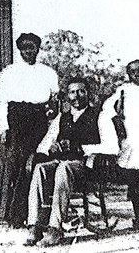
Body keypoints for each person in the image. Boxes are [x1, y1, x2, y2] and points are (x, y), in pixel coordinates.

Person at [0, 32, 59, 228]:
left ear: (38, 49)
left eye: (32, 47)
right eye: (25, 48)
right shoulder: (8, 73)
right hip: (16, 123)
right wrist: (3, 127)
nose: (29, 51)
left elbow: (55, 100)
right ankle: (13, 216)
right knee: (15, 170)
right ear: (19, 50)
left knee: (35, 165)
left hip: (38, 122)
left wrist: (52, 116)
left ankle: (35, 215)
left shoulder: (48, 73)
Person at [24, 77, 102, 247]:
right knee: (40, 169)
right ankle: (35, 226)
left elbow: (110, 145)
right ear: (67, 95)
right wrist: (49, 148)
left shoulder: (98, 115)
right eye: (72, 92)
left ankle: (55, 228)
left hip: (85, 165)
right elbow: (45, 143)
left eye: (82, 91)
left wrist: (79, 147)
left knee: (63, 168)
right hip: (62, 162)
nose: (77, 96)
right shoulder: (62, 117)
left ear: (89, 93)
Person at [98, 59, 139, 230]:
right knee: (134, 180)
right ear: (129, 75)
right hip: (131, 141)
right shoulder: (123, 90)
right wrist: (117, 124)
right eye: (133, 72)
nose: (137, 74)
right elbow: (107, 108)